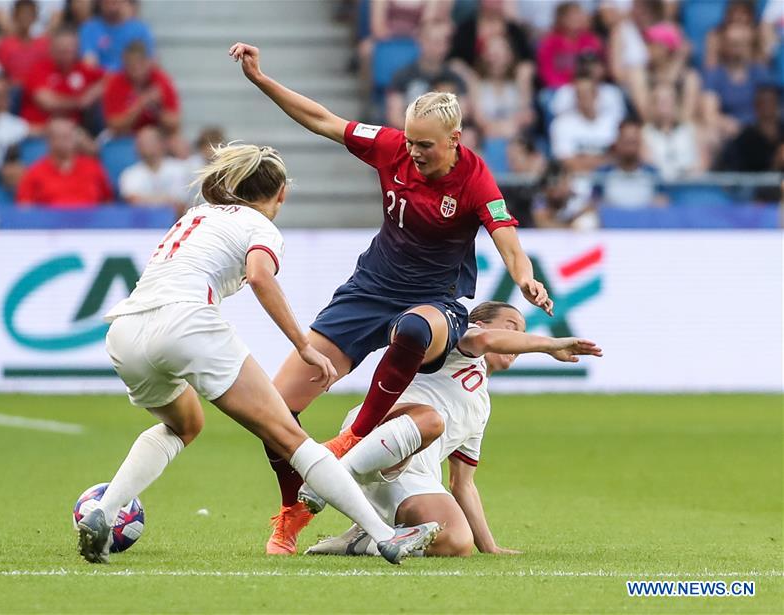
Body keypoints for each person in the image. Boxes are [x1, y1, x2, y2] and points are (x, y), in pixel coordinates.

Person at [230, 41, 553, 555]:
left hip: (435, 300)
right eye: (410, 141)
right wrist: (261, 80)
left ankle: (354, 438)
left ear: (455, 139)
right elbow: (322, 119)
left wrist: (526, 277)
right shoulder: (391, 146)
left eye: (426, 145)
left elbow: (507, 239)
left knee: (413, 330)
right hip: (369, 289)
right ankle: (291, 515)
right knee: (277, 409)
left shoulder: (475, 179)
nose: (414, 151)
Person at [75, 142, 441, 565]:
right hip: (185, 322)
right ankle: (384, 536)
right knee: (289, 437)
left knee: (184, 425)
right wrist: (304, 345)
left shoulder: (195, 215)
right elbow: (259, 276)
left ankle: (104, 511)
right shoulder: (261, 226)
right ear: (281, 193)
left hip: (125, 329)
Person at [302, 301, 602, 557]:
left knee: (457, 542)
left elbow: (463, 484)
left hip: (412, 476)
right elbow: (484, 340)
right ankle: (329, 477)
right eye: (512, 328)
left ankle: (361, 540)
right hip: (378, 434)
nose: (519, 340)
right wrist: (550, 345)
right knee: (431, 420)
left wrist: (490, 547)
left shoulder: (481, 407)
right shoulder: (458, 341)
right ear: (481, 324)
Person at [102, 40, 183, 154]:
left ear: (148, 62)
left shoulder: (161, 80)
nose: (136, 70)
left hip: (157, 135)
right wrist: (141, 104)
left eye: (140, 64)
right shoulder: (115, 83)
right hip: (125, 137)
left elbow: (174, 123)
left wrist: (157, 109)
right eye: (131, 65)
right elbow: (114, 125)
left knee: (179, 145)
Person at [19, 25, 104, 131]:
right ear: (51, 49)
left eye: (69, 50)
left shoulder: (82, 69)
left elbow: (108, 80)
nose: (65, 55)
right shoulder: (39, 69)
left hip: (73, 132)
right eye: (61, 50)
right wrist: (80, 102)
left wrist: (91, 94)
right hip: (41, 130)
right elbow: (47, 102)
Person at [385, 21, 467, 129]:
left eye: (444, 42)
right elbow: (394, 117)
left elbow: (463, 113)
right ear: (421, 42)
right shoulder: (402, 75)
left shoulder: (455, 77)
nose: (440, 47)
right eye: (435, 42)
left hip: (443, 139)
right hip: (409, 137)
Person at [16, 116, 111, 206]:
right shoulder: (35, 172)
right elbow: (25, 208)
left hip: (90, 221)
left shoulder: (93, 167)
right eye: (60, 136)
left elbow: (108, 203)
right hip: (49, 222)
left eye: (69, 136)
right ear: (49, 140)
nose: (66, 141)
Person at [550, 74, 620, 172]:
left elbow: (620, 158)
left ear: (596, 94)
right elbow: (565, 162)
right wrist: (604, 160)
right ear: (575, 96)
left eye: (588, 93)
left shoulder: (613, 123)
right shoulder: (561, 124)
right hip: (577, 179)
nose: (584, 98)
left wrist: (583, 159)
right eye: (580, 94)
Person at [592, 119, 666, 209]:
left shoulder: (653, 173)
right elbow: (594, 202)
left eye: (633, 142)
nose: (630, 148)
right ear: (617, 143)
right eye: (626, 142)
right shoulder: (603, 173)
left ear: (640, 143)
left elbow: (663, 202)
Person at [642, 83, 705, 180]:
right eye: (659, 101)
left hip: (689, 184)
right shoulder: (645, 133)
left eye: (668, 100)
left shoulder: (690, 130)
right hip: (660, 186)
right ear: (652, 105)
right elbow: (648, 166)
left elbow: (702, 164)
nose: (664, 105)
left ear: (676, 103)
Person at [119, 125, 189, 210]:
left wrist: (145, 200)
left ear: (162, 143)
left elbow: (180, 202)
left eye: (150, 141)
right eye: (141, 142)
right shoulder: (129, 174)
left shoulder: (179, 168)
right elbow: (132, 201)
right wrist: (166, 200)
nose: (145, 146)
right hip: (141, 221)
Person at [535, 1, 603, 90]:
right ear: (561, 19)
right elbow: (546, 72)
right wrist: (567, 86)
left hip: (588, 88)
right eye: (572, 15)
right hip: (558, 88)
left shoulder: (591, 40)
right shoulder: (549, 42)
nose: (577, 18)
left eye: (579, 14)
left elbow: (600, 67)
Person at [79, 0, 154, 72]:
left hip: (130, 80)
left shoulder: (140, 30)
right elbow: (89, 64)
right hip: (100, 80)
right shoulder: (89, 29)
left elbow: (148, 64)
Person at [0, 0, 50, 86]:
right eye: (22, 14)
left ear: (35, 17)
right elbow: (0, 73)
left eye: (29, 14)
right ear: (15, 16)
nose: (25, 17)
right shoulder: (5, 45)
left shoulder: (44, 44)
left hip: (37, 90)